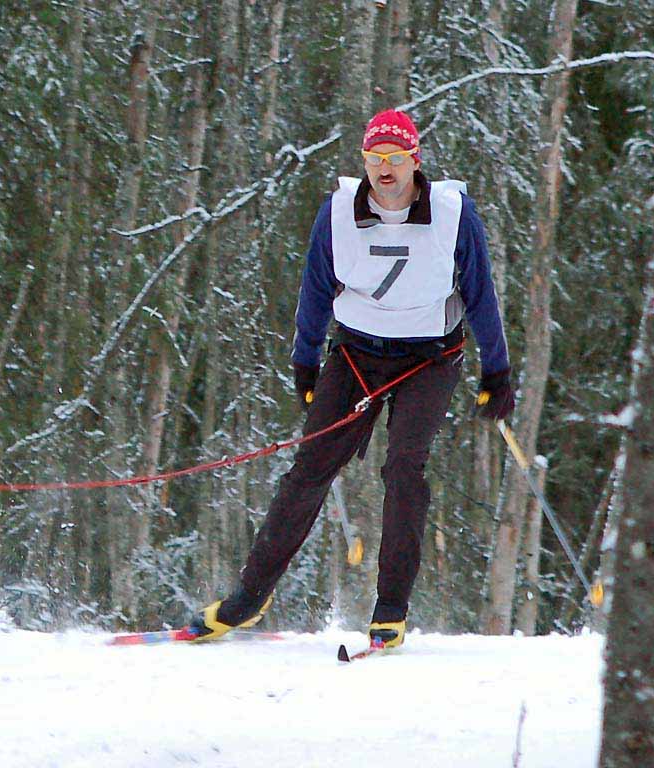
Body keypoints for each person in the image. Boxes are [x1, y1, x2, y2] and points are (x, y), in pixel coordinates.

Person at [189, 109, 514, 648]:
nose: (384, 169)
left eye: (394, 158)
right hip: (357, 354)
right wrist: (305, 358)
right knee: (310, 468)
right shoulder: (339, 211)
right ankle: (248, 597)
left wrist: (496, 370)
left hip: (430, 357)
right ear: (363, 161)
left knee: (404, 466)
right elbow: (316, 288)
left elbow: (481, 293)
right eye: (373, 158)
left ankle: (390, 610)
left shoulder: (454, 213)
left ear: (415, 160)